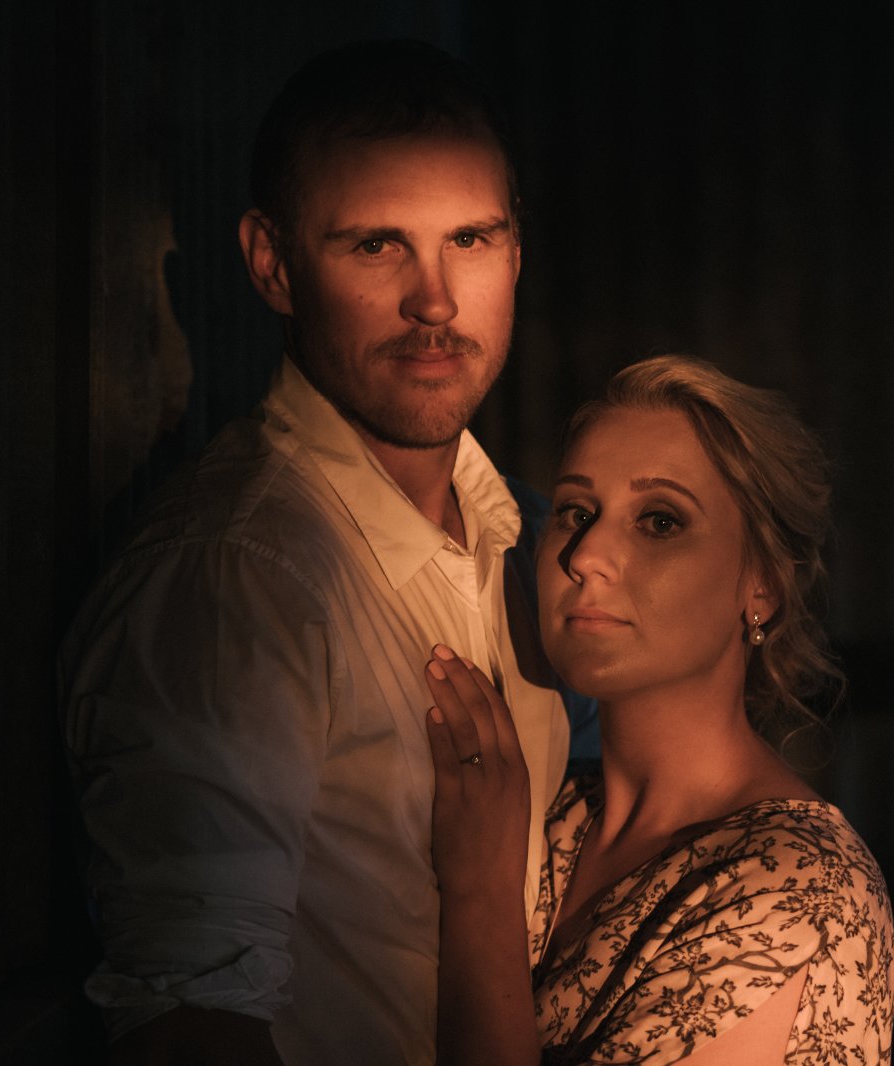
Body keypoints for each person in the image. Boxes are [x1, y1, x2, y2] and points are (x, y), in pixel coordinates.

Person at [58, 40, 571, 1065]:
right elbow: (190, 1031)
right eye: (377, 245)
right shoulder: (239, 577)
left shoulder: (516, 534)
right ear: (273, 264)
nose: (435, 301)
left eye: (470, 238)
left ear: (515, 251)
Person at [423, 355, 894, 1065]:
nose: (587, 555)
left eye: (660, 521)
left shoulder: (802, 886)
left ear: (763, 586)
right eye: (576, 512)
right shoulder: (549, 812)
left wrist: (481, 897)